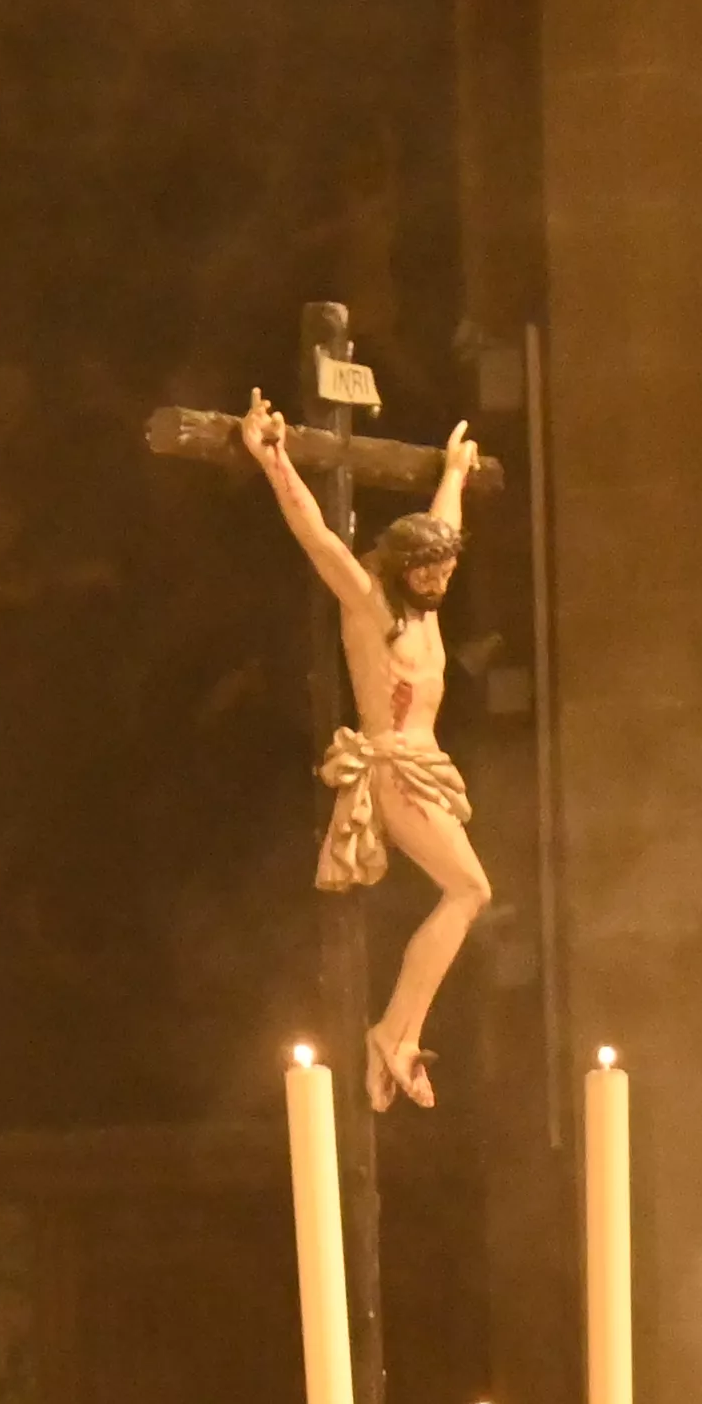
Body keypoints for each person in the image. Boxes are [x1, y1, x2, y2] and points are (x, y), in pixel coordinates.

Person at [237, 397, 492, 1112]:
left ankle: (399, 1035)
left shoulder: (424, 606)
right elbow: (319, 538)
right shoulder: (373, 606)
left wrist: (453, 474)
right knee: (469, 889)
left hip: (426, 765)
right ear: (404, 569)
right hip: (393, 766)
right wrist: (274, 457)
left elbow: (446, 528)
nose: (442, 582)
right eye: (431, 573)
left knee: (468, 892)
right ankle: (394, 1033)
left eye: (447, 572)